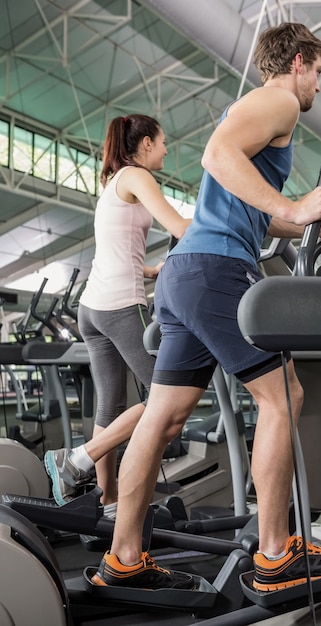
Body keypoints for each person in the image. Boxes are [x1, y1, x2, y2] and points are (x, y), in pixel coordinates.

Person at [45, 22, 321, 592]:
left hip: (185, 273)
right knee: (283, 395)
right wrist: (294, 198)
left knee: (162, 418)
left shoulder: (257, 113)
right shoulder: (280, 102)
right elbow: (218, 156)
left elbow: (259, 212)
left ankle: (123, 560)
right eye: (319, 72)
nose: (317, 85)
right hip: (215, 270)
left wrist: (317, 217)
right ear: (300, 61)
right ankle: (273, 554)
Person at [44, 114, 190, 517]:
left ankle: (106, 502)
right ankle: (75, 460)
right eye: (161, 142)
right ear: (144, 143)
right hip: (121, 306)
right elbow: (180, 225)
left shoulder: (111, 184)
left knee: (110, 403)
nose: (165, 150)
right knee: (168, 397)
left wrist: (150, 269)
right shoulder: (136, 177)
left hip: (93, 308)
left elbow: (115, 249)